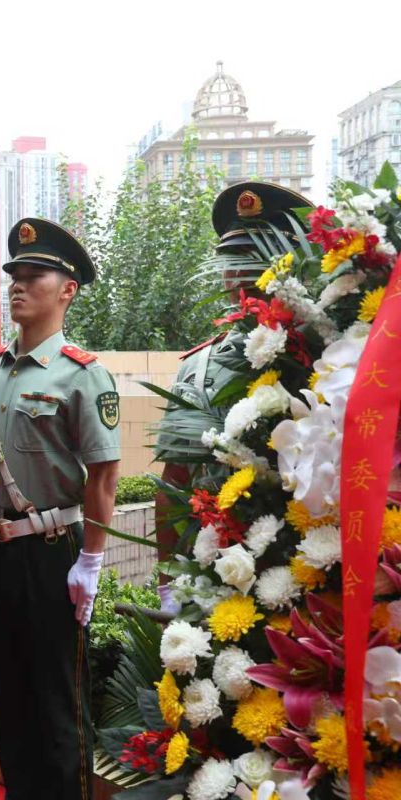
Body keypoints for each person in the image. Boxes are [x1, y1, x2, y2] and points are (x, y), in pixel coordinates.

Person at [0, 218, 121, 800]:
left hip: (54, 554)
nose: (18, 285)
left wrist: (91, 561)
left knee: (55, 700)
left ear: (67, 290)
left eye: (34, 276)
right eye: (14, 275)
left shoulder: (85, 375)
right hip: (1, 554)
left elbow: (106, 475)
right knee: (6, 695)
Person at [153, 181, 312, 613]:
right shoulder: (198, 368)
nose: (239, 271)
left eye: (255, 254)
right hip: (215, 584)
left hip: (313, 577)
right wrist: (170, 582)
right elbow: (174, 483)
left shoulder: (330, 356)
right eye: (232, 257)